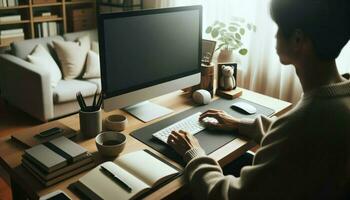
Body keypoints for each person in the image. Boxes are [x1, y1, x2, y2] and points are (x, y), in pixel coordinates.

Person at [167, 0, 350, 199]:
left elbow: (227, 196)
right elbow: (295, 140)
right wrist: (239, 124)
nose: (275, 35)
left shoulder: (306, 120)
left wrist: (194, 153)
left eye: (279, 28)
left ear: (298, 40)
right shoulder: (339, 101)